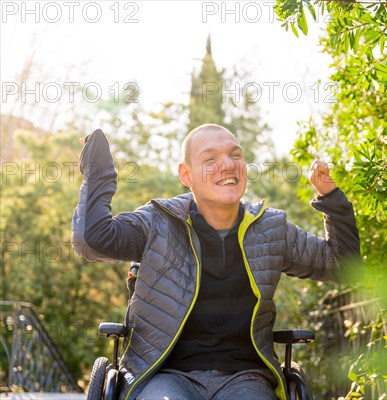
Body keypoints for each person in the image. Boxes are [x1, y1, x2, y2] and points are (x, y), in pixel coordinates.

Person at [72, 124, 360, 400]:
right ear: (187, 174)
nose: (228, 164)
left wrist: (330, 196)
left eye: (235, 155)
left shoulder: (271, 229)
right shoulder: (158, 222)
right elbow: (92, 241)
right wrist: (100, 172)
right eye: (210, 158)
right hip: (163, 375)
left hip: (245, 378)